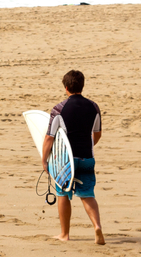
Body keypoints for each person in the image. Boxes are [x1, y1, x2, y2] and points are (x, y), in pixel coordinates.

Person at [42, 70, 104, 245]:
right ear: (82, 86)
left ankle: (64, 234)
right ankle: (97, 226)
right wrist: (88, 146)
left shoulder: (59, 109)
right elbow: (97, 134)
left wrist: (44, 159)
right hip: (87, 157)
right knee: (87, 194)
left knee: (62, 193)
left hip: (65, 160)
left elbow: (49, 137)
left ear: (66, 87)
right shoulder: (94, 107)